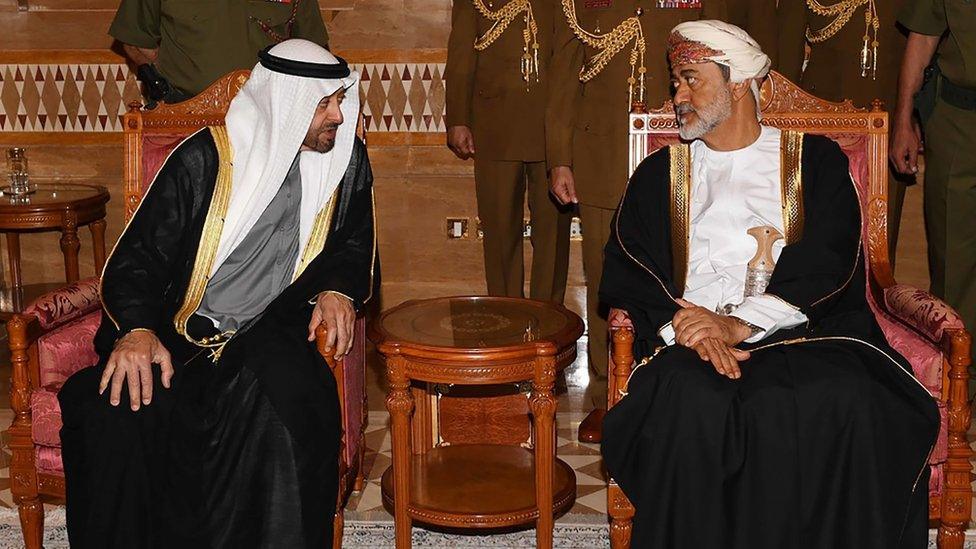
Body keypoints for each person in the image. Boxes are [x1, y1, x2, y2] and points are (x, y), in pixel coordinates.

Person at [600, 21, 938, 548]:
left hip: (804, 332)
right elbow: (629, 262)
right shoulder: (661, 173)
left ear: (737, 85)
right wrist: (689, 327)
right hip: (692, 344)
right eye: (675, 83)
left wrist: (739, 324)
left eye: (691, 79)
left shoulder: (815, 161)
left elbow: (829, 259)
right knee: (691, 401)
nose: (677, 95)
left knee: (847, 398)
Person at [57, 39, 376, 549]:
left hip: (269, 332)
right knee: (112, 415)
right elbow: (137, 259)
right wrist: (137, 330)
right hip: (178, 337)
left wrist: (338, 289)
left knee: (287, 414)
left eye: (340, 100)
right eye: (325, 103)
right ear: (286, 104)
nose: (339, 115)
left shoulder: (344, 166)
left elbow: (352, 246)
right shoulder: (205, 160)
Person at [547, 0, 729, 443]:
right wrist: (561, 160)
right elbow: (564, 81)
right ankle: (605, 398)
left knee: (686, 277)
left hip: (681, 159)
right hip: (604, 157)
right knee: (606, 280)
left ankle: (675, 384)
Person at [445, 0, 572, 301]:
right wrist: (458, 118)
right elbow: (461, 52)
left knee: (553, 236)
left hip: (552, 130)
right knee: (500, 235)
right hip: (494, 126)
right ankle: (505, 317)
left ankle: (549, 321)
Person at [779, 0, 913, 260]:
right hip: (820, 128)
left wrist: (913, 119)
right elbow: (786, 63)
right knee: (820, 236)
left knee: (877, 246)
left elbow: (924, 48)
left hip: (887, 128)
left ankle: (870, 300)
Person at [892, 0, 976, 364]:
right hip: (959, 119)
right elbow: (923, 36)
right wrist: (903, 120)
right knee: (954, 259)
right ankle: (960, 381)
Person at [110, 0, 330, 103]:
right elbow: (137, 41)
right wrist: (168, 89)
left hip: (270, 120)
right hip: (186, 122)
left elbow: (314, 53)